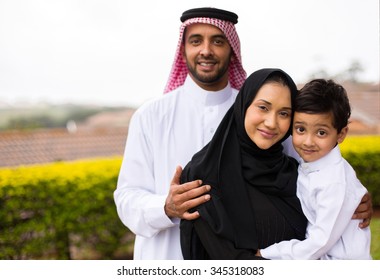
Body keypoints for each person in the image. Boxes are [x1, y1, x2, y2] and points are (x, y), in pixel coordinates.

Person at [113, 7, 372, 260]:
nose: (206, 50)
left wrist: (350, 197)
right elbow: (126, 197)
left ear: (232, 50)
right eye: (196, 41)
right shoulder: (150, 117)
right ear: (183, 49)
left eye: (218, 41)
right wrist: (165, 207)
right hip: (168, 258)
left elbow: (314, 161)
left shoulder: (258, 109)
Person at [180, 68, 308, 259]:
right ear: (244, 105)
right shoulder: (204, 174)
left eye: (284, 113)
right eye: (263, 107)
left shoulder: (295, 172)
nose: (272, 123)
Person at [258, 79, 372, 259]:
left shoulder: (333, 182)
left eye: (321, 133)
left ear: (341, 134)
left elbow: (318, 243)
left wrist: (267, 253)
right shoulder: (312, 165)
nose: (308, 142)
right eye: (300, 129)